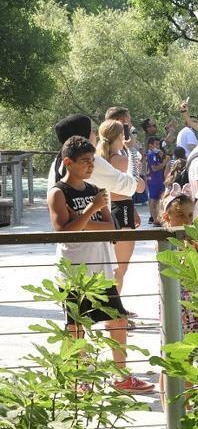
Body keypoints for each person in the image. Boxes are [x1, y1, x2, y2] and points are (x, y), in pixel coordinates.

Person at [48, 135, 154, 394]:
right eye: (84, 162)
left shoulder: (95, 190)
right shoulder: (58, 192)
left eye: (92, 161)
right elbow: (64, 230)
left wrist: (82, 220)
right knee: (76, 326)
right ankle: (78, 378)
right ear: (68, 162)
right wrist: (88, 213)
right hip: (76, 272)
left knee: (117, 319)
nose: (90, 166)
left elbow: (110, 226)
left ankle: (121, 375)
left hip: (102, 268)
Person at [156, 184, 198, 404]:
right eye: (180, 215)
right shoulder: (166, 242)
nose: (187, 220)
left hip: (194, 308)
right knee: (174, 354)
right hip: (177, 306)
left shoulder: (191, 241)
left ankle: (187, 397)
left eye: (190, 215)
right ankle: (175, 402)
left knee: (190, 352)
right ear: (167, 217)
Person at [47, 114, 145, 198]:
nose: (95, 135)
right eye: (92, 131)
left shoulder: (57, 162)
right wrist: (131, 149)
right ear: (85, 135)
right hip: (95, 219)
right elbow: (130, 186)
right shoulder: (92, 162)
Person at [96, 120, 137, 294]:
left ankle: (114, 309)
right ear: (120, 136)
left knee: (112, 266)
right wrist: (132, 150)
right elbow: (134, 182)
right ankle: (115, 312)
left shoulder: (100, 159)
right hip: (122, 210)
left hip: (110, 209)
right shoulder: (121, 159)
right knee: (120, 268)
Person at [146, 137, 170, 227]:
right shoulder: (151, 154)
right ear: (150, 145)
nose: (157, 146)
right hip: (154, 180)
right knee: (153, 199)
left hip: (158, 179)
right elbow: (154, 168)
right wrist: (164, 162)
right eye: (156, 144)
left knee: (159, 199)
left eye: (158, 144)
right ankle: (155, 219)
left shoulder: (156, 154)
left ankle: (158, 218)